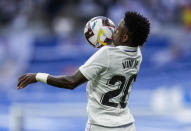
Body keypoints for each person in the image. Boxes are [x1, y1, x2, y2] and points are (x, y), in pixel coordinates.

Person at [17, 11, 150, 131]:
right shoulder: (138, 55)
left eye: (117, 31)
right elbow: (121, 51)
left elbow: (71, 82)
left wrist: (38, 76)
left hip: (102, 126)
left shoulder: (107, 54)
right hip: (127, 125)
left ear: (125, 38)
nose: (113, 31)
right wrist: (115, 40)